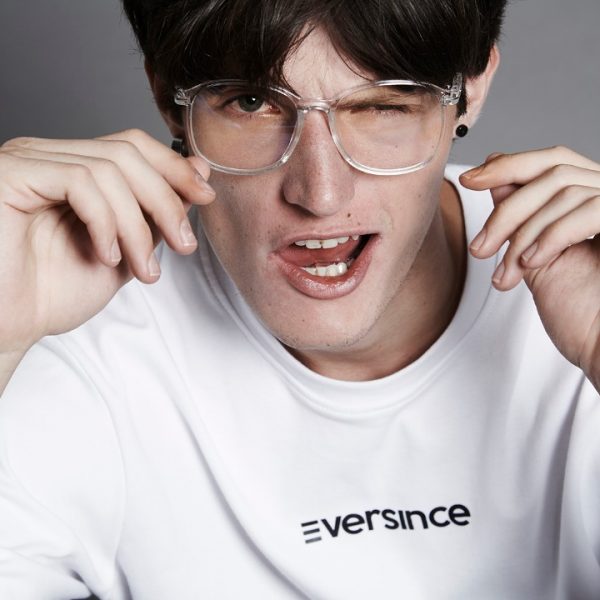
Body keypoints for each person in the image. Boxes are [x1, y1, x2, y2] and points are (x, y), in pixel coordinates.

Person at [0, 0, 599, 598]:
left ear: (470, 89)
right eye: (252, 103)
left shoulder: (584, 298)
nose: (320, 192)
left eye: (380, 105)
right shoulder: (63, 320)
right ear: (169, 99)